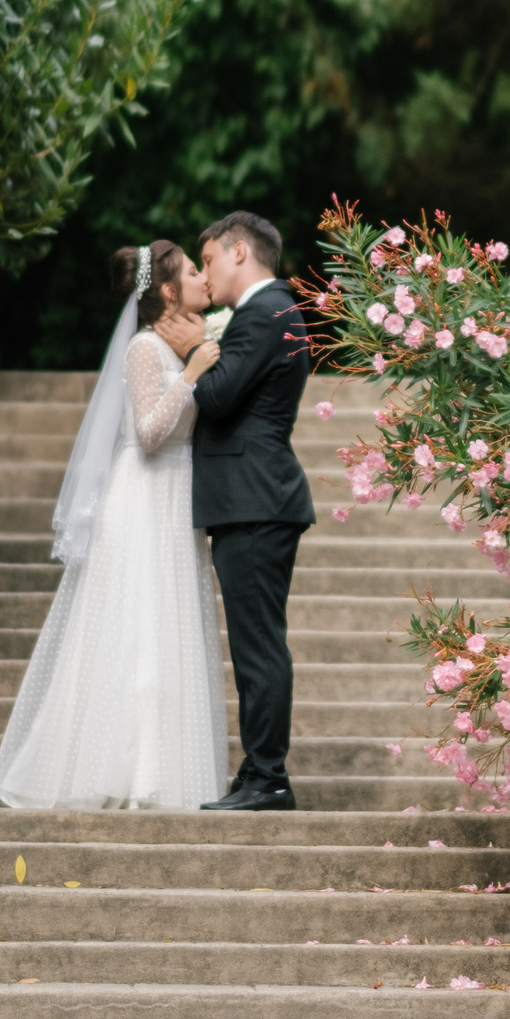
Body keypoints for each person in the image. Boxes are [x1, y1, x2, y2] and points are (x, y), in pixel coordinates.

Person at [0, 240, 228, 810]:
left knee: (170, 629)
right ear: (168, 291)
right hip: (144, 497)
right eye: (193, 271)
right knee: (140, 627)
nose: (203, 277)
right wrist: (192, 374)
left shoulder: (185, 342)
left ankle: (163, 774)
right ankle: (122, 773)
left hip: (176, 495)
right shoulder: (147, 349)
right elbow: (146, 434)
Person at [160, 211, 314, 811]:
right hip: (252, 498)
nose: (205, 273)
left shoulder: (268, 310)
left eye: (210, 260)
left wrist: (195, 347)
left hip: (255, 499)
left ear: (240, 253)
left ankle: (267, 777)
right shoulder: (270, 311)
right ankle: (258, 772)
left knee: (258, 646)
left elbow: (219, 396)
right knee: (257, 642)